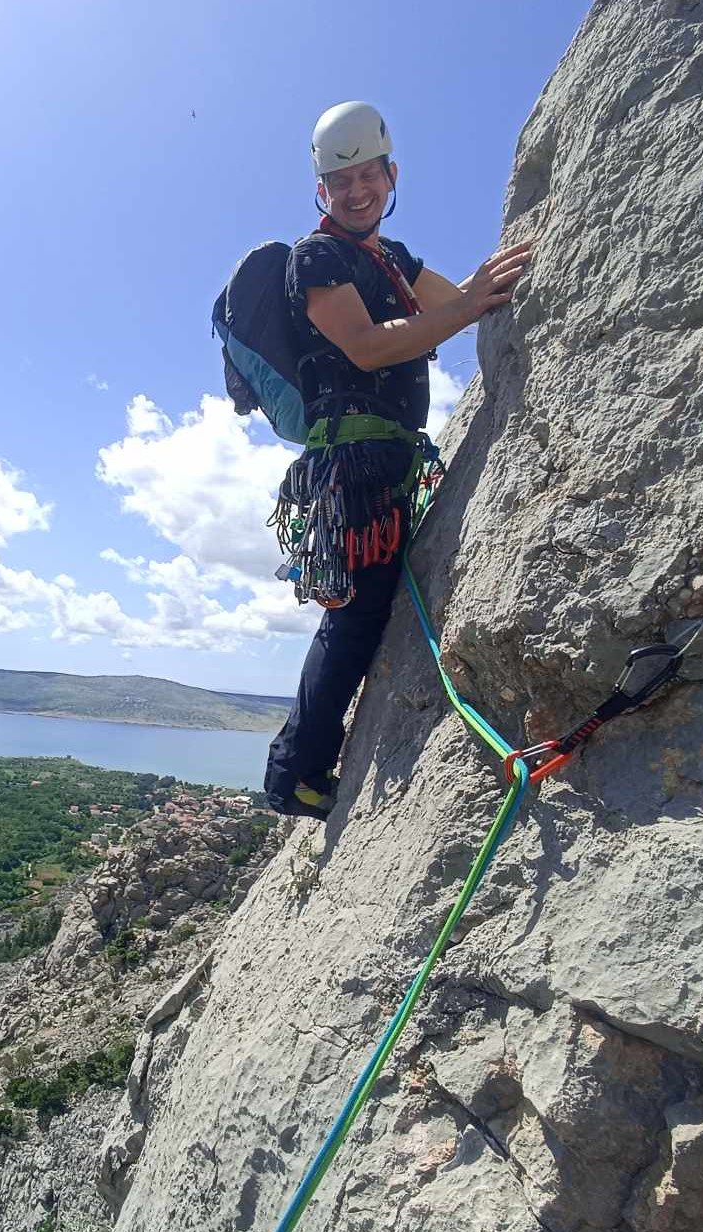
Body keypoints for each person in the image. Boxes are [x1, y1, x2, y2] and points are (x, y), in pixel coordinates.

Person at [264, 101, 532, 819]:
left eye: (368, 176)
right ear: (322, 191)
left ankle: (302, 764)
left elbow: (471, 306)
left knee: (360, 613)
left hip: (384, 461)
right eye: (340, 180)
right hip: (352, 463)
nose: (357, 192)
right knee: (353, 616)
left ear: (391, 175)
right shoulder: (315, 258)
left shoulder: (394, 259)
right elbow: (369, 345)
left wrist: (500, 287)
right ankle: (295, 773)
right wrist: (468, 300)